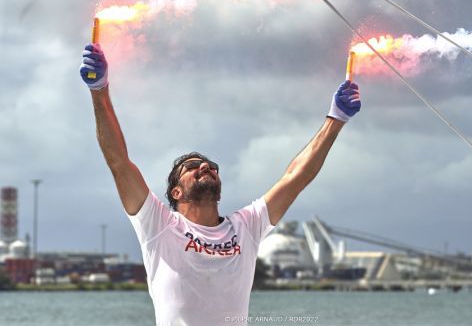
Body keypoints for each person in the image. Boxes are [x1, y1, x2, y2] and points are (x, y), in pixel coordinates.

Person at [79, 43, 360, 326]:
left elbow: (295, 178)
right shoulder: (158, 224)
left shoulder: (246, 227)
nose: (206, 167)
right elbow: (119, 162)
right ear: (175, 193)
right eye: (191, 167)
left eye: (212, 167)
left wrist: (335, 119)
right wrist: (99, 90)